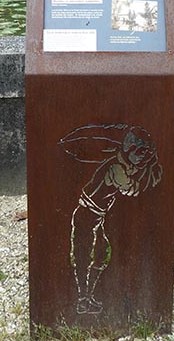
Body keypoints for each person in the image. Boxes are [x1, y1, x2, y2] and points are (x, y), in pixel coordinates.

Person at [59, 124, 163, 315]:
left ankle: (88, 296)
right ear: (129, 149)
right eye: (142, 152)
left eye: (149, 154)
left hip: (97, 217)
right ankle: (82, 299)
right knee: (85, 256)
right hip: (87, 216)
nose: (145, 157)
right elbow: (131, 189)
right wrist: (151, 176)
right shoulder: (116, 169)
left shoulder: (122, 165)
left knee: (101, 254)